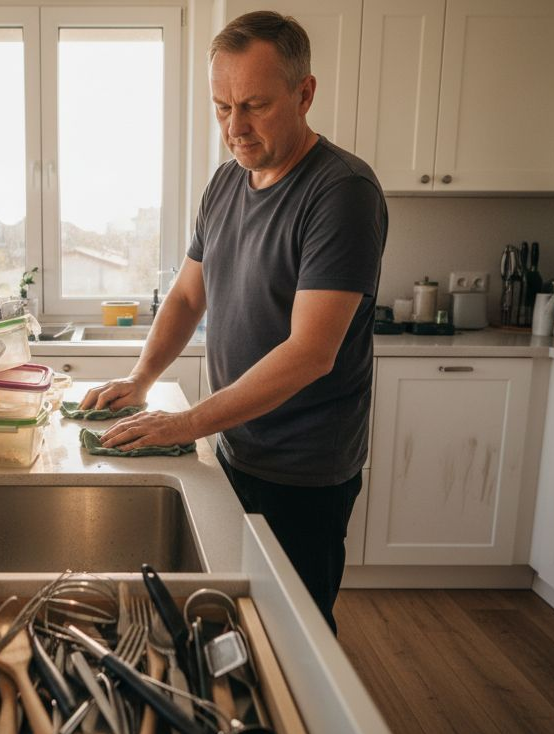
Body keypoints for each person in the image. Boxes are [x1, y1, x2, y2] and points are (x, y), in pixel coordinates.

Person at [81, 10, 386, 633]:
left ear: (305, 94)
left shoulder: (341, 191)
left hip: (304, 474)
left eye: (254, 105)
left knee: (296, 636)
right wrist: (141, 379)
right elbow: (189, 298)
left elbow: (310, 352)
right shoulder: (226, 184)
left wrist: (187, 421)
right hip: (236, 449)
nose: (235, 127)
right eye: (222, 107)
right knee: (234, 621)